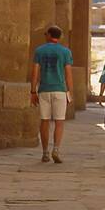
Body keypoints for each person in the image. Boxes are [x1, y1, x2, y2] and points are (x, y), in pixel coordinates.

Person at [30, 25, 73, 164]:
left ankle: (45, 152)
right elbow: (68, 74)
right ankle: (56, 149)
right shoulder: (65, 52)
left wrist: (33, 90)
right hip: (60, 89)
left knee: (45, 121)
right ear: (59, 37)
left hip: (44, 89)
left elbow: (35, 72)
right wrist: (70, 92)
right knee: (59, 121)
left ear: (48, 35)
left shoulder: (39, 51)